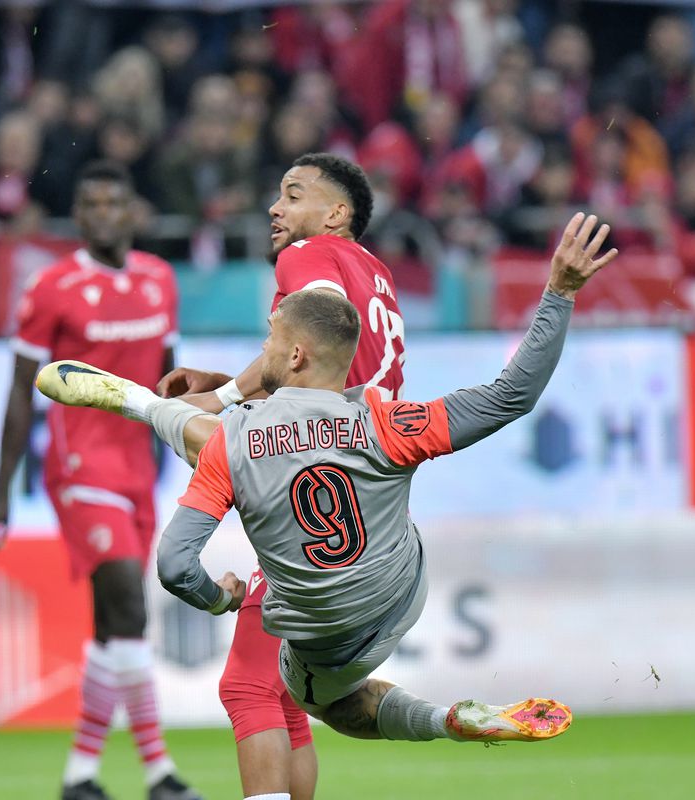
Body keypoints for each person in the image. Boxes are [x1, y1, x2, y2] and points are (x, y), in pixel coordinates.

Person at [37, 212, 617, 767]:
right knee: (243, 449)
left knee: (312, 700)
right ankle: (142, 404)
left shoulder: (234, 440)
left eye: (269, 338)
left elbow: (173, 564)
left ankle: (141, 404)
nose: (262, 349)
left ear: (294, 353)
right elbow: (511, 394)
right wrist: (560, 291)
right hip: (399, 589)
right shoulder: (387, 418)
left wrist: (221, 599)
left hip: (325, 630)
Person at [166, 153, 400, 800]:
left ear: (336, 214)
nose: (277, 208)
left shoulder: (307, 256)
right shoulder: (376, 274)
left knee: (246, 685)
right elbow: (316, 366)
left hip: (317, 487)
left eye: (294, 195)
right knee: (284, 693)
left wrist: (219, 406)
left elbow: (316, 339)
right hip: (364, 488)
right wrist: (232, 389)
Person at [0, 161, 200, 800]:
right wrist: (0, 489)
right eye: (93, 203)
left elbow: (170, 378)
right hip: (80, 469)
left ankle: (80, 774)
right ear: (78, 216)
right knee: (131, 609)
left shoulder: (160, 280)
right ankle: (160, 772)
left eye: (116, 202)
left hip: (138, 469)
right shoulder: (51, 287)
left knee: (113, 626)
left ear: (132, 210)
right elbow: (22, 392)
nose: (105, 213)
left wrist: (192, 446)